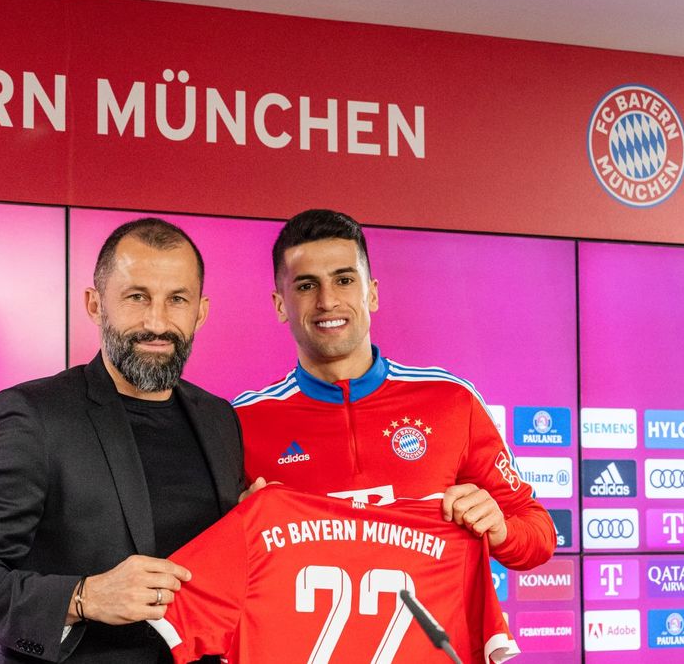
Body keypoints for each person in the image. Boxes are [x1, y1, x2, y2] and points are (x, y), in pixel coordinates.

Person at [0, 218, 246, 663]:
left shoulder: (219, 418)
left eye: (177, 299)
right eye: (137, 297)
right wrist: (84, 597)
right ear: (95, 305)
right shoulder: (31, 414)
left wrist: (252, 521)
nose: (157, 322)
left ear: (200, 311)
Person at [233, 209, 555, 570]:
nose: (327, 301)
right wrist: (235, 533)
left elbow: (539, 533)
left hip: (429, 612)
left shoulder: (450, 400)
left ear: (371, 294)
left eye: (344, 280)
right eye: (306, 286)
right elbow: (209, 559)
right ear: (280, 305)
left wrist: (501, 530)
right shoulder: (239, 421)